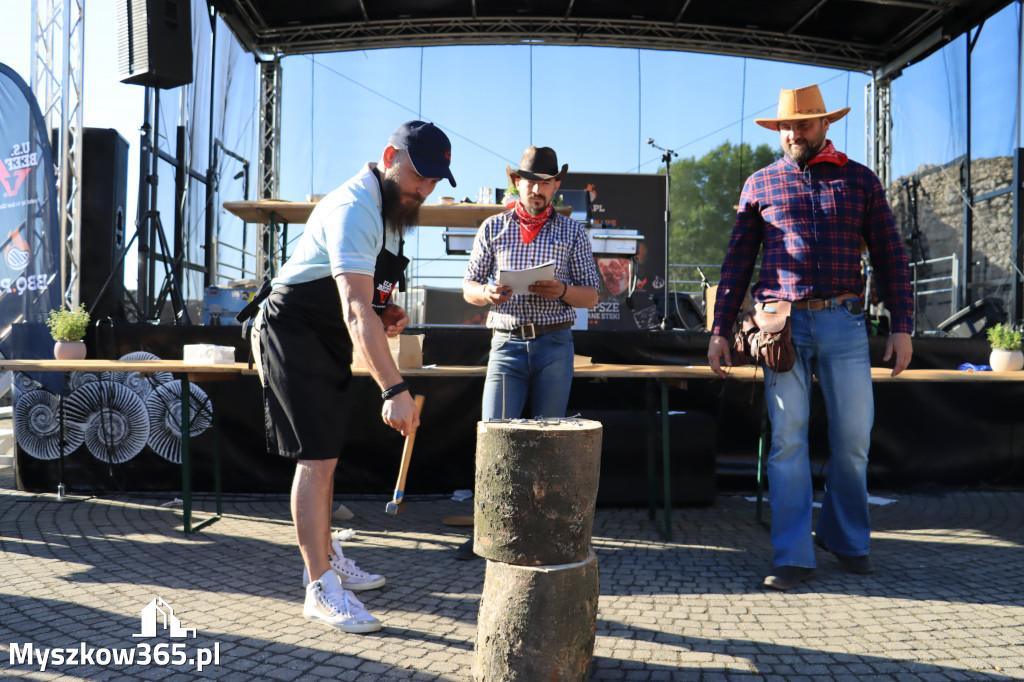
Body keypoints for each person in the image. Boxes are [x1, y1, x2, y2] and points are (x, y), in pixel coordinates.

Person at [250, 120, 456, 631]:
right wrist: (394, 388)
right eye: (418, 176)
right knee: (316, 459)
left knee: (327, 455)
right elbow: (354, 310)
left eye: (434, 182)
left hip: (324, 335)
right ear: (390, 156)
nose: (424, 189)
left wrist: (388, 313)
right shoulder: (353, 207)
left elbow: (368, 305)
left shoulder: (391, 208)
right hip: (291, 331)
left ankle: (326, 552)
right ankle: (319, 587)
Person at [707, 85, 913, 591]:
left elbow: (891, 254)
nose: (793, 133)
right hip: (781, 326)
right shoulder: (760, 184)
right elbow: (737, 262)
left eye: (803, 124)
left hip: (844, 321)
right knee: (787, 440)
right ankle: (793, 553)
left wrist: (903, 326)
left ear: (825, 125)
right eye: (786, 126)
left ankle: (844, 539)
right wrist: (719, 329)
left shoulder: (860, 180)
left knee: (853, 439)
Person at [457, 146, 600, 559]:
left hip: (555, 342)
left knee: (549, 443)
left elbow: (591, 296)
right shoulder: (493, 228)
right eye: (530, 180)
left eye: (545, 182)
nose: (537, 189)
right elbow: (468, 286)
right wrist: (486, 292)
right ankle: (489, 534)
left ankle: (544, 535)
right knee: (496, 438)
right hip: (505, 343)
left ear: (556, 186)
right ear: (516, 182)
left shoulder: (572, 233)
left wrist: (562, 292)